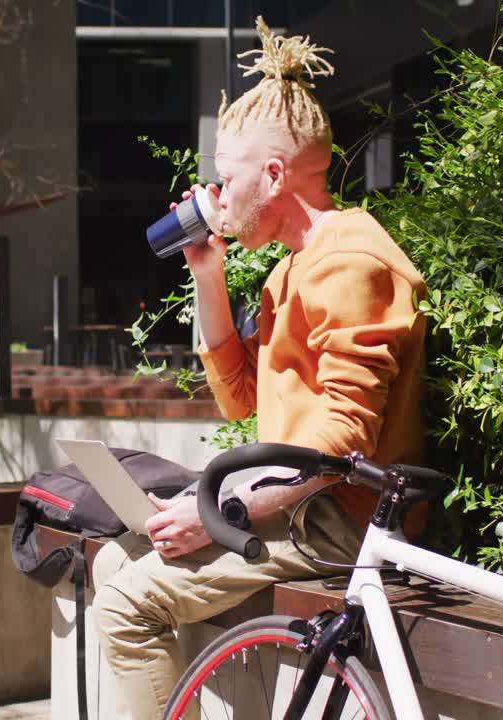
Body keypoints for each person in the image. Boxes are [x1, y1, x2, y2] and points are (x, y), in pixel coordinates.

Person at [90, 18, 428, 720]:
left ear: (273, 175)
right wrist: (206, 273)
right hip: (299, 508)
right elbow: (238, 400)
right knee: (110, 562)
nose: (215, 193)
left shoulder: (352, 262)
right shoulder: (288, 271)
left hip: (341, 522)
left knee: (125, 604)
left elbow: (343, 447)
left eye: (225, 177)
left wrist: (219, 512)